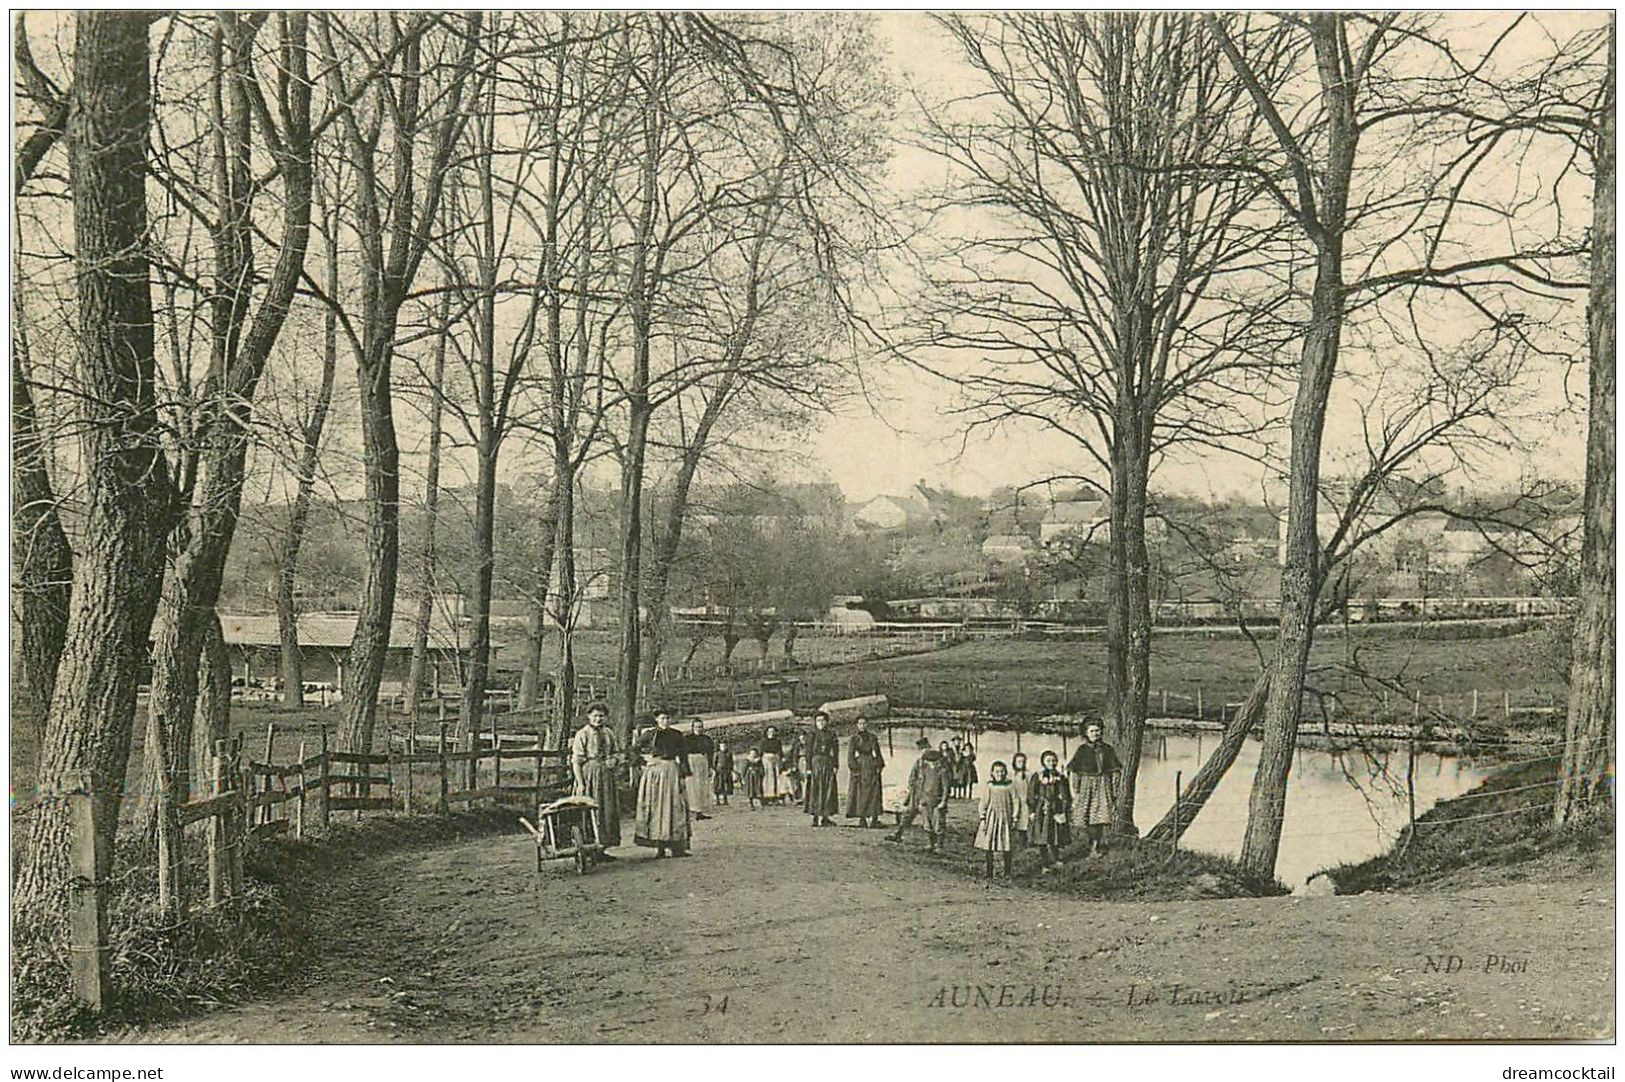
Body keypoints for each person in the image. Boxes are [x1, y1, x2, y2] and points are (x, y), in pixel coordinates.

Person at [568, 701, 622, 861]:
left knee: (607, 811)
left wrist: (614, 760)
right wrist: (581, 783)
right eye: (595, 716)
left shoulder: (608, 733)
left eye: (601, 716)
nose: (598, 719)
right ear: (589, 716)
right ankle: (588, 848)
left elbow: (616, 752)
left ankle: (602, 848)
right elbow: (576, 761)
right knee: (590, 811)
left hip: (606, 776)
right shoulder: (582, 734)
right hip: (590, 774)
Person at [634, 708, 692, 857]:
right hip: (655, 773)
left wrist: (684, 773)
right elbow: (633, 750)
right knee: (657, 807)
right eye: (662, 718)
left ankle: (677, 847)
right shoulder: (649, 735)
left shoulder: (677, 735)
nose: (665, 721)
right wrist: (643, 761)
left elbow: (683, 754)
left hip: (672, 770)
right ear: (657, 720)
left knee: (676, 807)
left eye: (667, 718)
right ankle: (659, 847)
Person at [1067, 722, 1122, 856]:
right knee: (1087, 817)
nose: (1095, 734)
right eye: (1092, 731)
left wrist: (1114, 789)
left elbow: (1115, 771)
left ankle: (1095, 846)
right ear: (1086, 733)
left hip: (1103, 785)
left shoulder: (1108, 749)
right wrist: (1076, 789)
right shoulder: (1082, 750)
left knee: (1099, 817)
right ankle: (1090, 844)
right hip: (1086, 786)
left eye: (1097, 731)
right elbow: (1075, 772)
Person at [886, 738, 950, 851]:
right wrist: (914, 787)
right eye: (922, 749)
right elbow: (912, 777)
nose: (924, 751)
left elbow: (945, 785)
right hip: (917, 793)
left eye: (926, 748)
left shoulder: (939, 764)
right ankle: (898, 834)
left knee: (935, 820)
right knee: (908, 814)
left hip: (931, 796)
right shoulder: (919, 762)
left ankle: (936, 844)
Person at [1027, 750, 1072, 870]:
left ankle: (1056, 858)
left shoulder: (1060, 777)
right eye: (1048, 761)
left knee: (1055, 834)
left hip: (1055, 808)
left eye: (1053, 760)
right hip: (1041, 809)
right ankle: (1044, 862)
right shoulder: (1038, 776)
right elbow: (1031, 793)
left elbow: (1066, 795)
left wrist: (1064, 809)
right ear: (1043, 762)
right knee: (1042, 835)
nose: (1051, 763)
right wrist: (1032, 810)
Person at [974, 761, 1019, 879]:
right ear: (992, 773)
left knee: (1006, 844)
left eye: (1002, 771)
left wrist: (1014, 817)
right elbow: (983, 802)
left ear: (1005, 772)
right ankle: (989, 872)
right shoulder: (990, 786)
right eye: (997, 771)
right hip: (991, 818)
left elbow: (1015, 801)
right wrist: (983, 817)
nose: (1000, 774)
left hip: (1005, 819)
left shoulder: (1010, 786)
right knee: (989, 845)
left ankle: (1007, 872)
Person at [845, 716, 886, 828]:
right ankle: (862, 819)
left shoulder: (872, 737)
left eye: (864, 723)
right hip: (860, 766)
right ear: (857, 725)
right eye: (860, 724)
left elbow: (877, 753)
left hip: (871, 766)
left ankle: (874, 818)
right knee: (860, 792)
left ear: (867, 724)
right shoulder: (854, 739)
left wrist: (879, 765)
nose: (862, 726)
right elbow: (850, 755)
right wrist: (854, 768)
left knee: (874, 791)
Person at [805, 711, 840, 827]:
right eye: (818, 721)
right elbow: (808, 752)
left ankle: (825, 816)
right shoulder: (811, 734)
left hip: (828, 762)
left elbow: (835, 751)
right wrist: (808, 767)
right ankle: (815, 816)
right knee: (815, 788)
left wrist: (835, 765)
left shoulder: (831, 734)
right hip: (816, 762)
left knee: (828, 789)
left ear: (827, 722)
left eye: (823, 720)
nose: (820, 723)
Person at [684, 718, 715, 821]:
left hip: (703, 762)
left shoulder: (706, 739)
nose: (699, 729)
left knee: (702, 787)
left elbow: (710, 754)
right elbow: (683, 754)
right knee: (692, 788)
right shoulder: (687, 739)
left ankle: (700, 811)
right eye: (697, 727)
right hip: (691, 762)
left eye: (701, 727)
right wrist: (685, 767)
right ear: (692, 728)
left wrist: (710, 766)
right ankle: (691, 811)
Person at [1009, 751, 1033, 847]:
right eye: (1019, 762)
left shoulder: (1028, 774)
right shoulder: (1011, 775)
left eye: (1023, 762)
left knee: (1026, 822)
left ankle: (1028, 841)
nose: (1021, 764)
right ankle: (1019, 842)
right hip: (1016, 800)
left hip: (1026, 800)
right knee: (1018, 821)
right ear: (1014, 762)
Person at [761, 726, 785, 802]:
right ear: (767, 733)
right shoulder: (764, 741)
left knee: (777, 776)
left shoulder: (777, 741)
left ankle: (777, 795)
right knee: (769, 777)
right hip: (767, 759)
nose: (771, 733)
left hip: (776, 758)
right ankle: (768, 795)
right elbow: (761, 752)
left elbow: (780, 751)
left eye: (773, 731)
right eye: (770, 731)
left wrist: (782, 758)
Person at [713, 741, 735, 806]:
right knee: (718, 786)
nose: (723, 747)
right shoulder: (717, 753)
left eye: (724, 746)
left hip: (726, 772)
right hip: (719, 772)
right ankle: (717, 801)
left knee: (726, 786)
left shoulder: (729, 754)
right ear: (720, 747)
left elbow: (731, 762)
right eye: (722, 746)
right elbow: (714, 762)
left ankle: (725, 800)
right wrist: (715, 770)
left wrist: (730, 769)